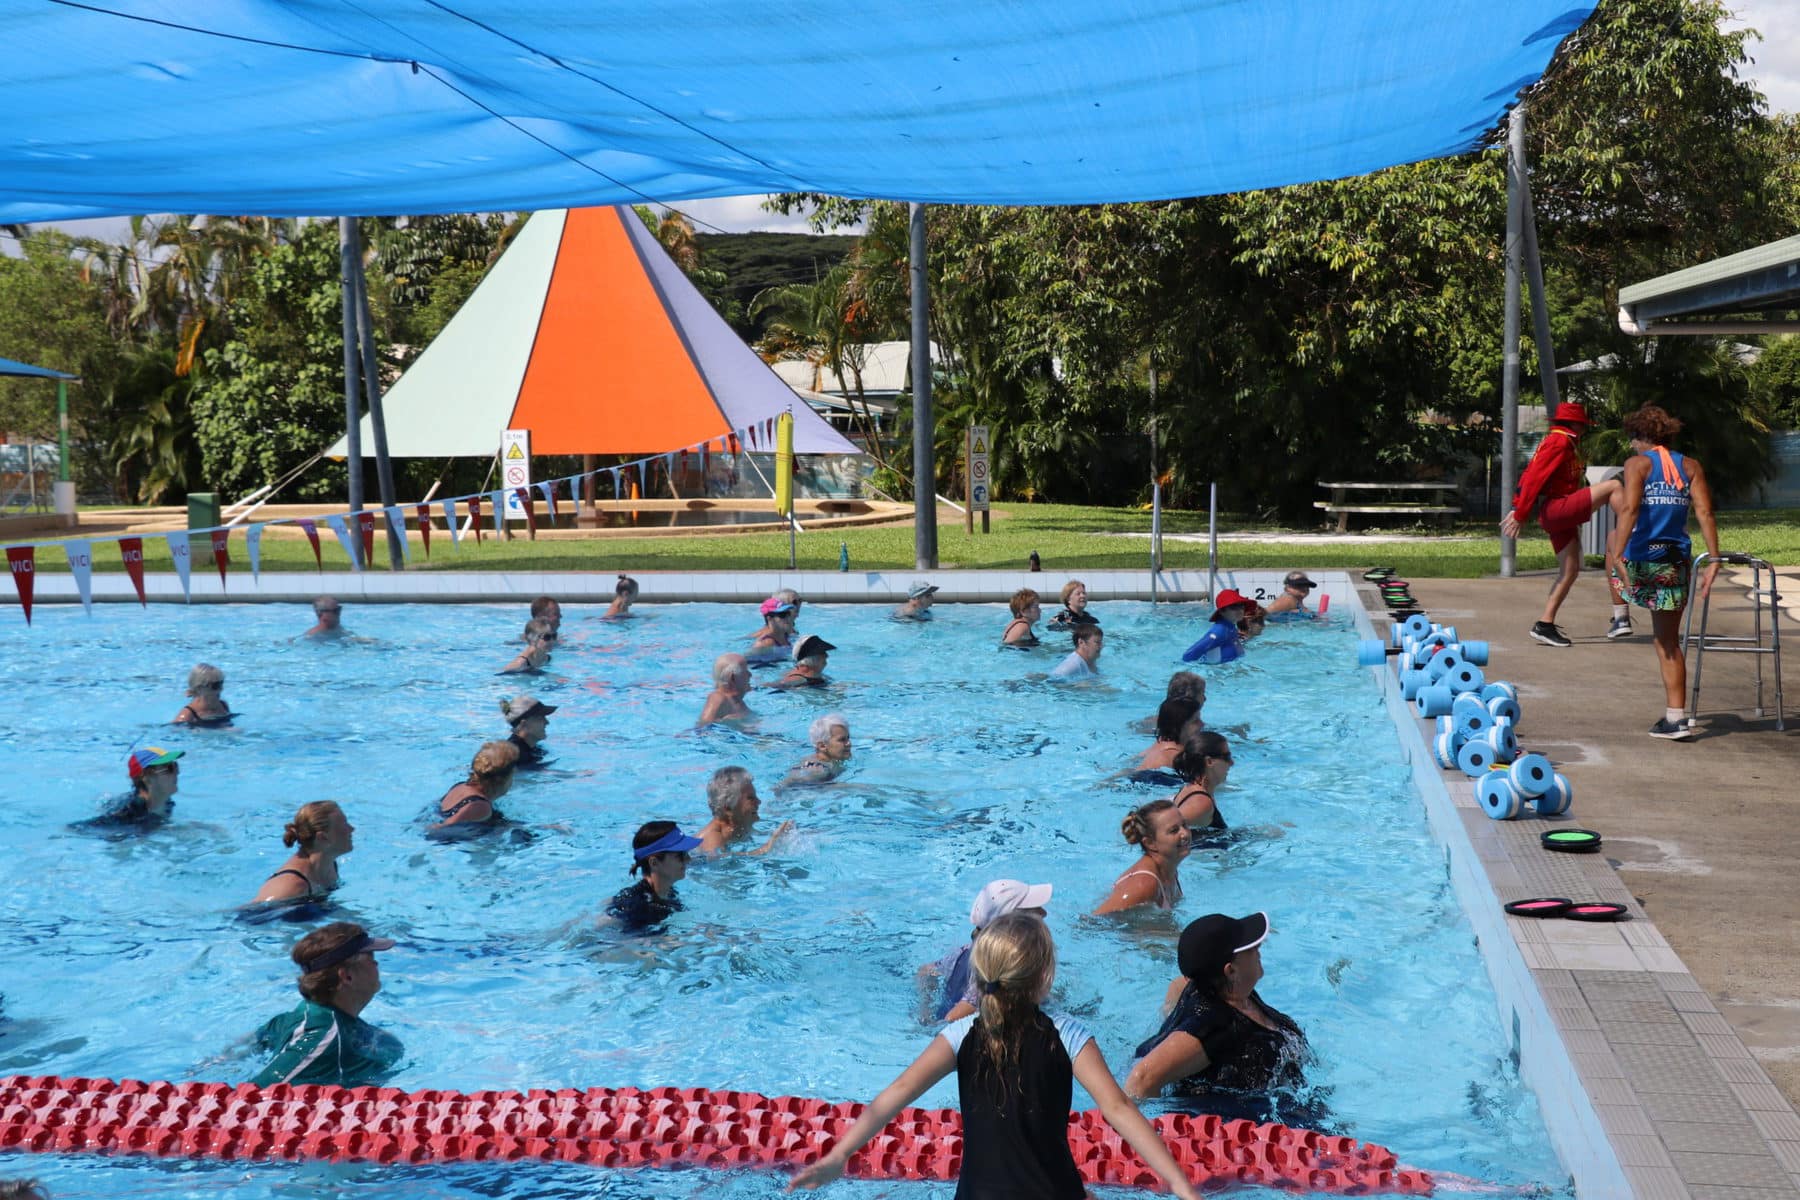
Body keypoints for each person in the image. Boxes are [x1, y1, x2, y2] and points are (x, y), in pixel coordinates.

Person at [788, 912, 1201, 1200]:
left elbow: (895, 1094)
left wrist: (840, 1154)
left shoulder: (961, 1033)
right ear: (1047, 974)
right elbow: (1119, 1109)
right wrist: (1181, 1186)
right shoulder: (1069, 1034)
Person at [1124, 912, 1310, 1121]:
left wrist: (1169, 1013)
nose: (1258, 948)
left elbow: (1179, 984)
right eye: (1249, 948)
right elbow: (1140, 1081)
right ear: (1231, 972)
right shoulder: (1214, 1026)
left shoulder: (1223, 991)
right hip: (1246, 1121)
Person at [1607, 404, 1722, 740]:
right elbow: (1705, 512)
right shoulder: (1691, 466)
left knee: (1611, 544)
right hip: (1674, 562)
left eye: (1633, 438)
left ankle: (1620, 616)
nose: (1631, 445)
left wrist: (1618, 555)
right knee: (1668, 642)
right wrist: (1713, 559)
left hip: (1642, 562)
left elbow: (1628, 509)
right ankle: (1676, 718)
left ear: (1643, 437)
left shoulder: (1637, 464)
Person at [1499, 401, 1629, 647]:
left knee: (1570, 570)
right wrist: (1520, 511)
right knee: (1614, 485)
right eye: (1583, 425)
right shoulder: (1558, 442)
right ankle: (1633, 529)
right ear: (1575, 424)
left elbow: (1530, 474)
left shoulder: (1566, 442)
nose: (1584, 430)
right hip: (1558, 507)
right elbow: (1533, 477)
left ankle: (1544, 624)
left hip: (1559, 510)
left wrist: (1518, 507)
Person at [250, 921, 403, 1087]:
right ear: (347, 977)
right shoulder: (325, 1036)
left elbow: (245, 1047)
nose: (376, 964)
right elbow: (258, 1092)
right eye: (371, 957)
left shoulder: (299, 1015)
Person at [919, 879, 1053, 1023]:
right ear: (1010, 928)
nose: (1043, 913)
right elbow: (951, 1018)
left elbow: (925, 971)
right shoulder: (989, 973)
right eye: (1033, 912)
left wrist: (925, 1009)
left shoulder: (965, 950)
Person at [1095, 800, 1190, 914]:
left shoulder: (1170, 870)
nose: (1185, 833)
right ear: (1150, 843)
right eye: (1174, 830)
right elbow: (1092, 922)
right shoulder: (1144, 885)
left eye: (1184, 825)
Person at [605, 820, 702, 930]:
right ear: (654, 863)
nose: (689, 859)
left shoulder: (668, 893)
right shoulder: (640, 907)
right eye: (680, 855)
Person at [252, 800, 354, 904]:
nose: (352, 829)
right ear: (323, 837)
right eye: (344, 824)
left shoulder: (329, 864)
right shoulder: (291, 886)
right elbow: (248, 915)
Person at [77, 747, 184, 832]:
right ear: (146, 777)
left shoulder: (166, 802)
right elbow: (78, 828)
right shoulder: (130, 814)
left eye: (175, 766)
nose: (177, 772)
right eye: (168, 769)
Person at [694, 766, 792, 854]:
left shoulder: (740, 825)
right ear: (728, 807)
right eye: (750, 798)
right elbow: (718, 863)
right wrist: (765, 848)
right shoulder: (711, 838)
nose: (759, 801)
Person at [428, 740, 519, 835]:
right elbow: (438, 830)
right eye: (512, 775)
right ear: (501, 780)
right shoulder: (480, 806)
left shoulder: (461, 786)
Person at [1170, 728, 1233, 840]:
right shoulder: (1201, 802)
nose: (1232, 763)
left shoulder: (1190, 788)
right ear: (1209, 762)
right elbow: (1165, 830)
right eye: (1227, 757)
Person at [1181, 590, 1250, 664]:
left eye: (1241, 606)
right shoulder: (1218, 632)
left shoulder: (1230, 627)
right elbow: (1187, 656)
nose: (1240, 610)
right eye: (1234, 607)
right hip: (1219, 671)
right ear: (1222, 611)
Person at [1136, 697, 1201, 775]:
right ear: (1179, 725)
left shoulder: (1161, 742)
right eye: (1195, 721)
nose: (1202, 724)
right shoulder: (1174, 755)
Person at [786, 713, 852, 784]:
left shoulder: (828, 763)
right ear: (822, 746)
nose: (849, 743)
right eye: (842, 740)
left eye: (848, 738)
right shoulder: (818, 770)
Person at [500, 695, 557, 769]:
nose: (547, 722)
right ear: (524, 724)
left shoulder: (533, 748)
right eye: (540, 718)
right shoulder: (513, 756)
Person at [698, 652, 754, 725]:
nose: (750, 675)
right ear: (733, 678)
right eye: (745, 671)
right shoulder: (718, 698)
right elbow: (702, 727)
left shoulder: (737, 701)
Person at [747, 598, 798, 664]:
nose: (787, 618)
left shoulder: (787, 635)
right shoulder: (765, 643)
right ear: (770, 619)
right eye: (782, 615)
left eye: (788, 614)